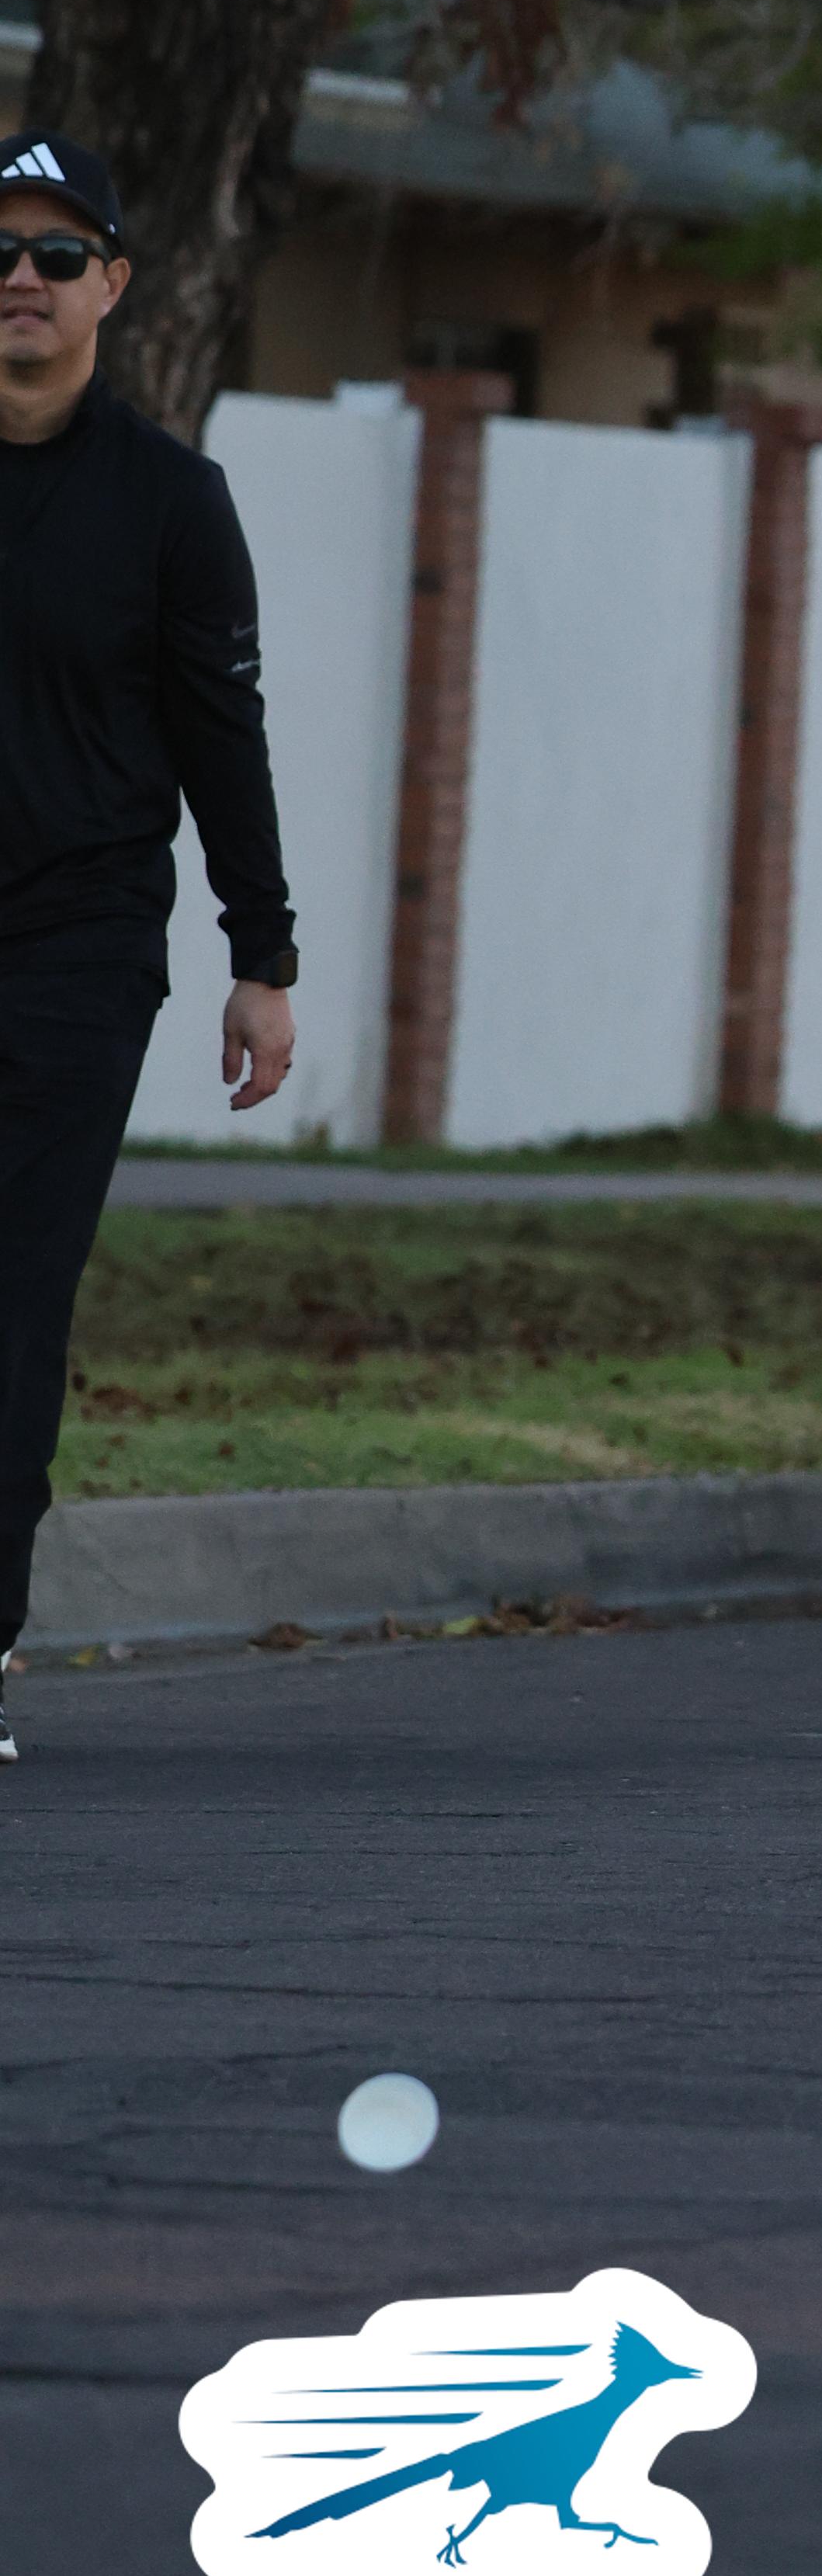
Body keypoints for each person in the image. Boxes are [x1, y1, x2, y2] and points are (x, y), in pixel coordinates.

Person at [0, 139, 298, 1761]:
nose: (21, 282)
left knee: (14, 1295)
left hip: (78, 946)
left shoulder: (172, 503)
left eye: (58, 256)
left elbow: (221, 735)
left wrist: (265, 955)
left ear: (113, 284)